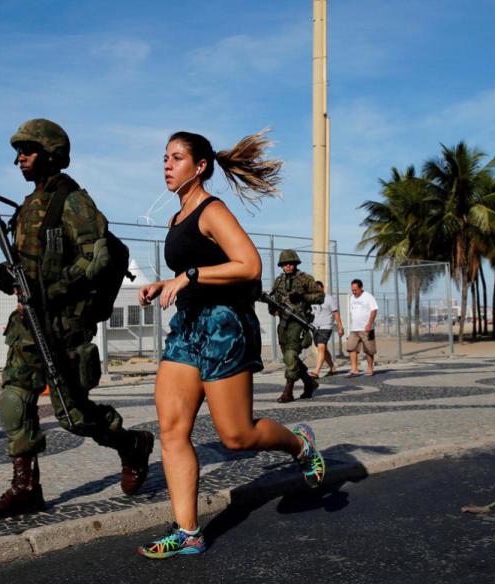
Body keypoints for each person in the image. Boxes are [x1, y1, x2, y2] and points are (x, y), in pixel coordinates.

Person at [136, 130, 325, 559]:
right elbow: (196, 269)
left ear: (199, 166)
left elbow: (249, 265)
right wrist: (167, 283)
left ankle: (299, 444)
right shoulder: (175, 218)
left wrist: (191, 277)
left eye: (177, 157)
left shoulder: (211, 209)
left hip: (225, 327)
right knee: (171, 428)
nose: (167, 165)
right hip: (187, 328)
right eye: (164, 157)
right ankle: (188, 532)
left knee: (237, 436)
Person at [0, 119, 154, 520]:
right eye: (19, 150)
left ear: (51, 154)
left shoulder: (74, 202)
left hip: (64, 325)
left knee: (73, 416)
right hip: (26, 323)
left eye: (28, 150)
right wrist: (8, 275)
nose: (19, 157)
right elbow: (28, 265)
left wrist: (50, 292)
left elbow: (98, 259)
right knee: (13, 400)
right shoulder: (28, 205)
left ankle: (132, 444)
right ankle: (26, 489)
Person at [269, 249, 323, 402]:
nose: (288, 267)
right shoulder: (278, 282)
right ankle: (309, 382)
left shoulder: (305, 279)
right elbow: (273, 299)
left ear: (295, 264)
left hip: (299, 323)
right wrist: (273, 309)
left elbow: (320, 297)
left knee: (291, 355)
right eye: (285, 264)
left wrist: (302, 297)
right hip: (284, 325)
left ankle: (288, 391)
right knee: (289, 358)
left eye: (291, 264)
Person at [310, 280, 343, 378]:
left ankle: (316, 371)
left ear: (323, 288)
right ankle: (332, 368)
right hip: (315, 327)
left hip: (326, 326)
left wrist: (340, 327)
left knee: (321, 347)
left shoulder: (329, 299)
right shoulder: (312, 300)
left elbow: (336, 314)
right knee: (323, 349)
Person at [346, 279, 378, 376]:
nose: (354, 292)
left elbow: (374, 310)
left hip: (366, 329)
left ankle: (370, 369)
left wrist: (369, 324)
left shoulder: (368, 297)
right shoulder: (352, 298)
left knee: (368, 350)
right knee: (351, 348)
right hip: (354, 328)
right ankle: (354, 369)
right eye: (352, 290)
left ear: (361, 288)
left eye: (355, 290)